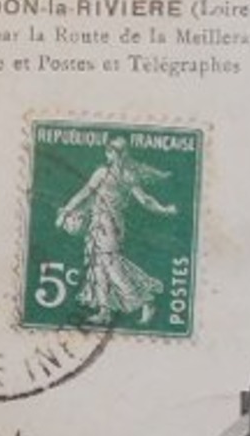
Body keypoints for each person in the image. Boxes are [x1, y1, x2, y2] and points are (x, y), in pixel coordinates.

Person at [54, 137, 178, 326]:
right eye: (115, 151)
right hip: (98, 223)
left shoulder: (117, 174)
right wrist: (67, 210)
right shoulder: (115, 174)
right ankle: (104, 311)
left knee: (110, 264)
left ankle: (145, 301)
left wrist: (163, 210)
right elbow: (86, 193)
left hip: (110, 225)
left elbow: (143, 200)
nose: (116, 154)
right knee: (97, 265)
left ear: (116, 153)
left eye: (117, 151)